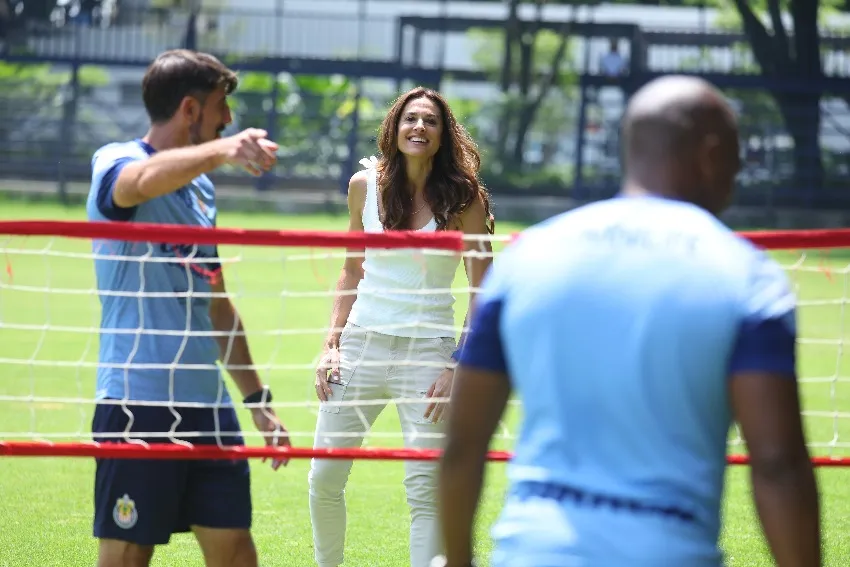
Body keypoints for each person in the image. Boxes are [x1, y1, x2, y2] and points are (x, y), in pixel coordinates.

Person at [437, 75, 821, 567]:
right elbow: (777, 464)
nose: (740, 168)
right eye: (736, 153)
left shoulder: (527, 257)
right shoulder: (747, 276)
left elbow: (463, 444)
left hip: (531, 552)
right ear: (709, 154)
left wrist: (458, 560)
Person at [86, 49, 291, 567]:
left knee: (236, 549)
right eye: (222, 106)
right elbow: (134, 186)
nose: (229, 119)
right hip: (140, 400)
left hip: (209, 406)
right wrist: (225, 149)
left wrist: (258, 402)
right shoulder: (114, 160)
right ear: (190, 110)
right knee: (129, 552)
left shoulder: (200, 189)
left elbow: (216, 304)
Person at [308, 86, 495, 567]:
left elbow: (483, 291)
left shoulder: (464, 199)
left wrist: (458, 363)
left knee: (425, 488)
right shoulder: (363, 186)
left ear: (443, 135)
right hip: (360, 346)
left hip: (429, 355)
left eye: (430, 121)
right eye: (411, 118)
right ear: (394, 127)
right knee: (324, 478)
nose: (419, 128)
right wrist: (330, 345)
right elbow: (351, 270)